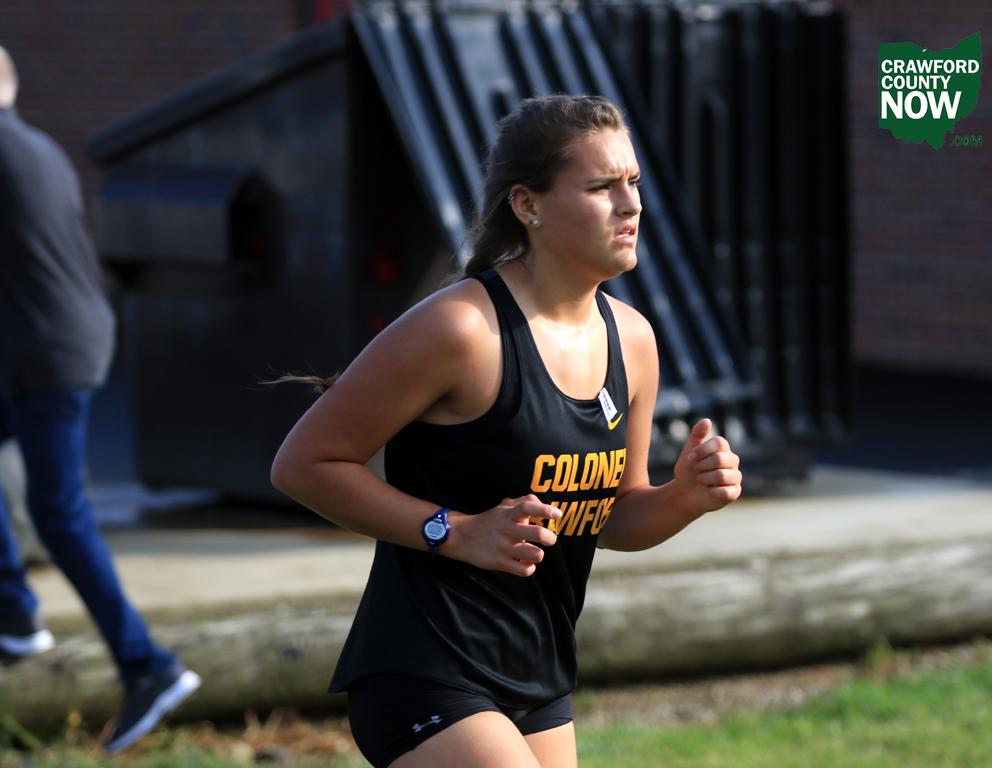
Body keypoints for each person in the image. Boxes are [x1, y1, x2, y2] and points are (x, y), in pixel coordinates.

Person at [271, 94, 743, 768]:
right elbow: (305, 464)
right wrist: (455, 531)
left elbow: (613, 516)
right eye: (602, 187)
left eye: (633, 182)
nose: (630, 205)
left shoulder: (633, 340)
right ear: (528, 205)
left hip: (538, 676)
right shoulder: (462, 329)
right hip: (425, 668)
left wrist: (684, 498)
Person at [0, 46, 200, 754]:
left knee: (59, 512)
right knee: (54, 504)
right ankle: (14, 611)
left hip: (46, 351)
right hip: (57, 340)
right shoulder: (35, 146)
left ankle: (148, 664)